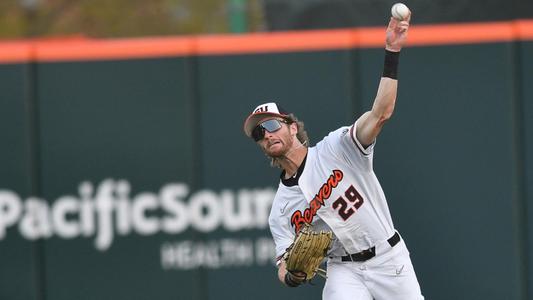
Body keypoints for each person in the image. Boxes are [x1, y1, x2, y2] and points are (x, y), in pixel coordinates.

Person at [242, 13, 423, 300]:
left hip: (388, 257)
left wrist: (393, 52)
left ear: (292, 126)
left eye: (272, 125)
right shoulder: (280, 210)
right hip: (344, 270)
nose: (266, 134)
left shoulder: (338, 148)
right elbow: (282, 265)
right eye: (258, 134)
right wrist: (292, 275)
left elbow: (381, 114)